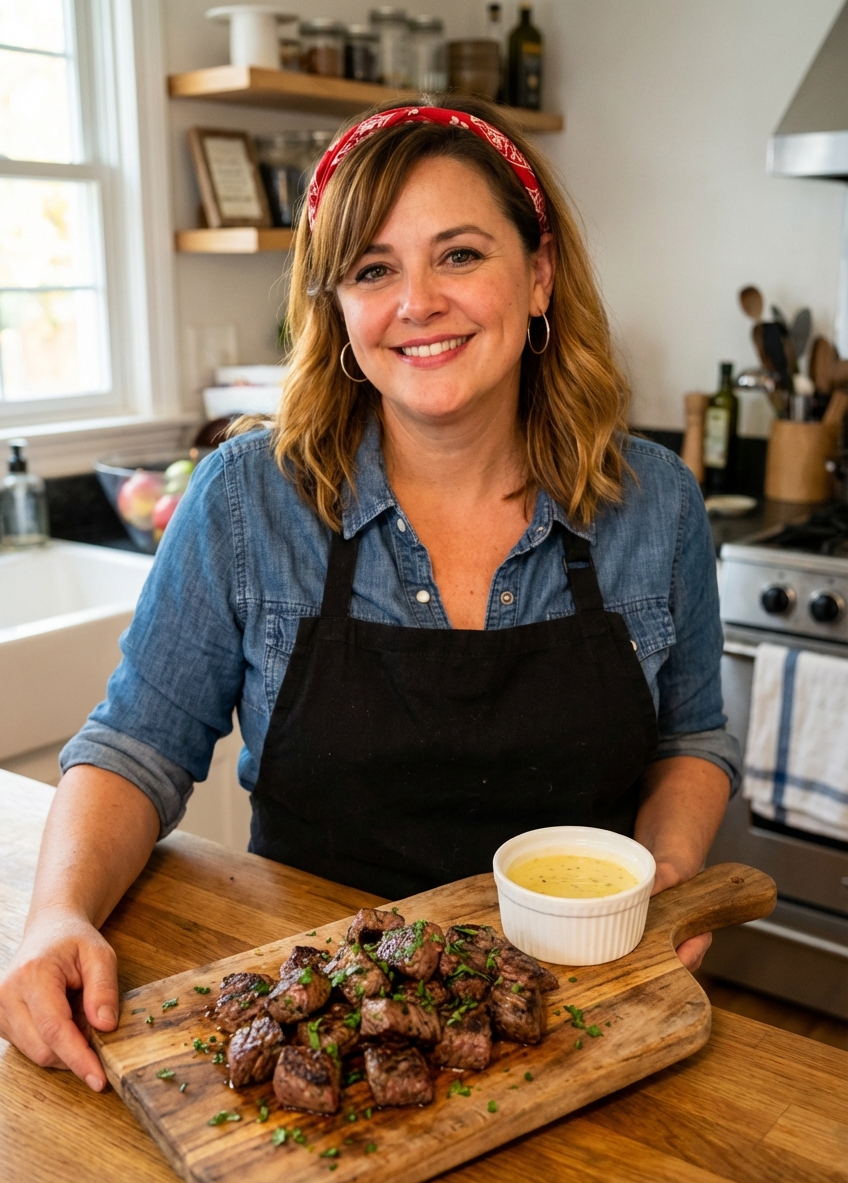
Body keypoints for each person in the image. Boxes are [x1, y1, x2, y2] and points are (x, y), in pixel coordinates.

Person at [0, 97, 740, 1093]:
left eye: (460, 254)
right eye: (372, 269)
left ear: (539, 275)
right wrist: (58, 916)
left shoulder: (655, 505)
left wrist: (664, 892)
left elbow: (688, 739)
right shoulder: (246, 500)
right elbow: (137, 745)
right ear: (338, 309)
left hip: (571, 1017)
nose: (416, 301)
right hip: (316, 1032)